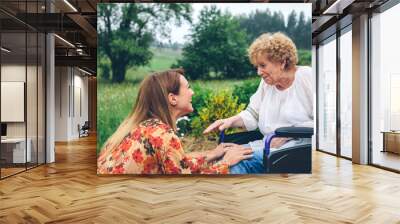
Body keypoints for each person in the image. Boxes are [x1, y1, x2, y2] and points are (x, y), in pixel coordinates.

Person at [97, 69, 253, 175]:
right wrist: (226, 162)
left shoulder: (143, 127)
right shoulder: (162, 135)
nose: (192, 92)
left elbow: (178, 166)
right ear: (172, 98)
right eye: (188, 87)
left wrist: (211, 155)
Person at [203, 32, 313, 174]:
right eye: (256, 66)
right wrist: (229, 121)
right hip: (268, 144)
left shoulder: (307, 77)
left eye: (262, 65)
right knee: (225, 156)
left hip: (299, 148)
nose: (259, 72)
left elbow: (326, 123)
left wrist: (286, 135)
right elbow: (252, 114)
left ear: (282, 62)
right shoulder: (267, 84)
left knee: (238, 164)